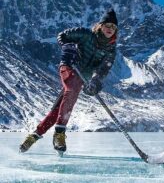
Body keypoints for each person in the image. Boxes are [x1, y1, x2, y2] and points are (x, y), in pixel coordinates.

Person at [19, 9, 118, 153]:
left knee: (57, 110)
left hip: (82, 77)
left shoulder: (111, 49)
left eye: (114, 27)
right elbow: (63, 36)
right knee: (72, 87)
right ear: (101, 25)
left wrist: (95, 82)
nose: (110, 29)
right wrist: (68, 48)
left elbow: (103, 69)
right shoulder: (85, 34)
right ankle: (59, 133)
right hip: (69, 67)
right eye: (108, 25)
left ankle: (33, 136)